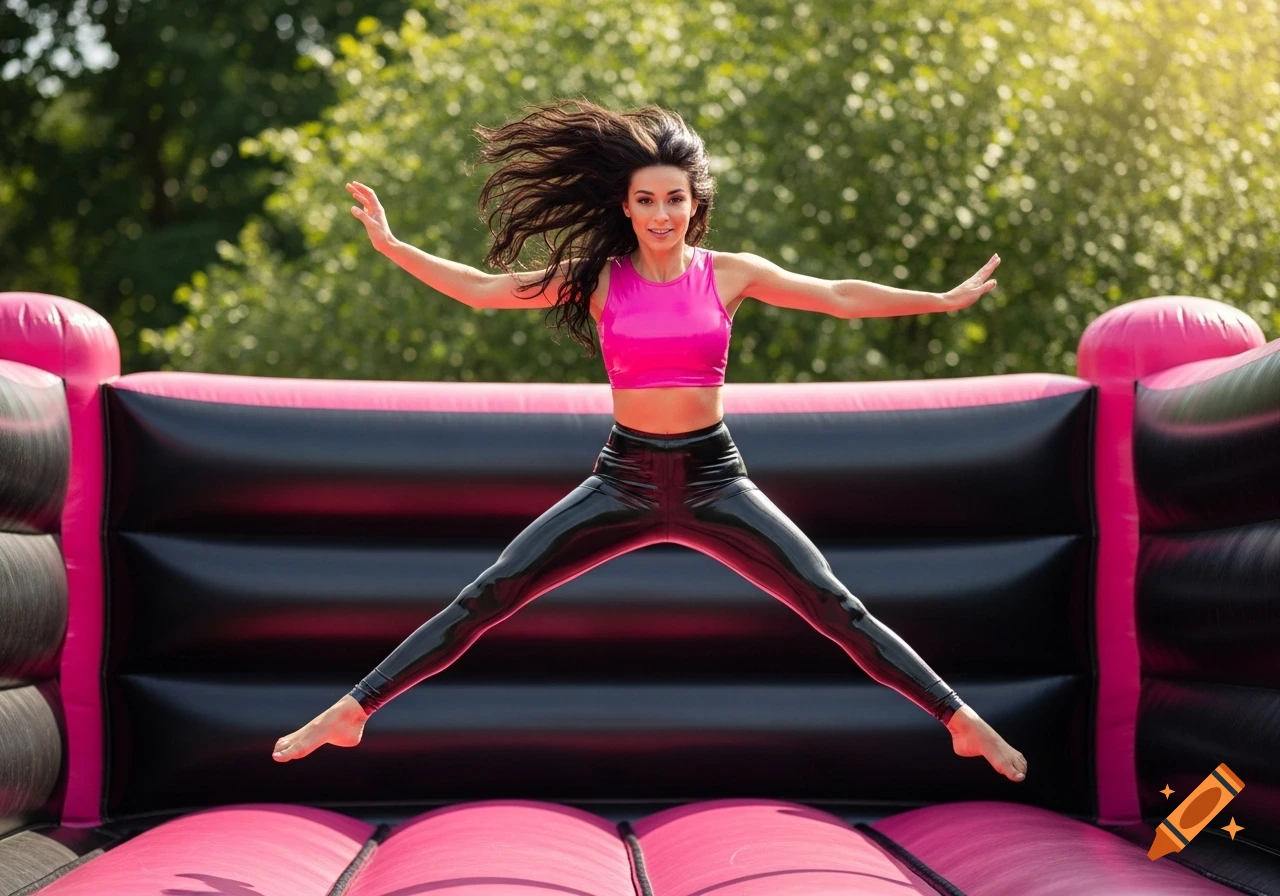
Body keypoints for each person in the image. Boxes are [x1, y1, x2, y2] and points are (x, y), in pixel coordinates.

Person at [272, 98, 1027, 784]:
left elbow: (835, 297)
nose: (660, 213)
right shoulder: (598, 278)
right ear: (625, 208)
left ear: (694, 203)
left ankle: (959, 722)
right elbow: (482, 288)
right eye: (645, 201)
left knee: (831, 601)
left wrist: (940, 299)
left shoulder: (728, 274)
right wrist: (393, 245)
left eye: (673, 198)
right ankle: (354, 710)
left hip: (715, 478)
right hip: (622, 479)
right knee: (492, 592)